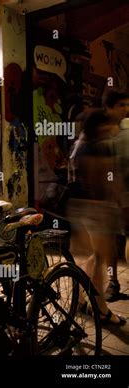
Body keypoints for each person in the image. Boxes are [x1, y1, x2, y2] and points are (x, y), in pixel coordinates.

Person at [67, 109, 126, 325]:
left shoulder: (78, 144)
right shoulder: (92, 147)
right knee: (98, 260)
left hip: (81, 209)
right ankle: (100, 310)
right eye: (109, 124)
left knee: (90, 258)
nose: (114, 127)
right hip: (94, 210)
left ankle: (81, 300)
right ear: (99, 126)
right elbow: (97, 182)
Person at [102, 88, 129, 302]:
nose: (126, 109)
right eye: (121, 105)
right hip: (108, 195)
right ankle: (112, 282)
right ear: (108, 107)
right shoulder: (100, 131)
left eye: (128, 104)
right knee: (110, 241)